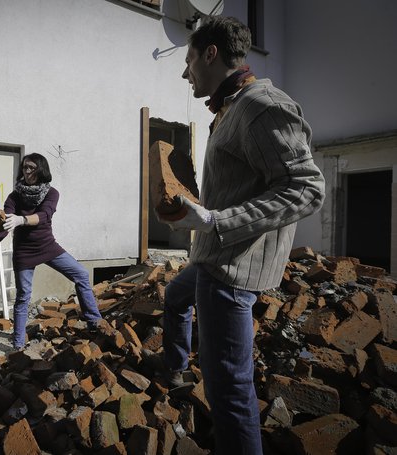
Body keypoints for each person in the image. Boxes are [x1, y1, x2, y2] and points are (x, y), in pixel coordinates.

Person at [156, 17, 325, 454]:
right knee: (175, 298)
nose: (184, 71)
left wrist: (214, 222)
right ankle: (175, 369)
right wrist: (195, 212)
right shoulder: (233, 106)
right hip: (212, 258)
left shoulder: (260, 105)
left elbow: (306, 188)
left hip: (230, 272)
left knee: (229, 389)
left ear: (211, 54)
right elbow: (242, 184)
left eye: (189, 59)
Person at [0, 153, 102, 350]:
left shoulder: (51, 193)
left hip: (48, 246)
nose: (27, 171)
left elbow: (44, 215)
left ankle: (95, 323)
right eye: (24, 168)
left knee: (81, 274)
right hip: (24, 251)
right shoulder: (15, 196)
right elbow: (3, 226)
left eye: (31, 167)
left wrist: (22, 220)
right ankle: (18, 343)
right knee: (23, 296)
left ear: (41, 170)